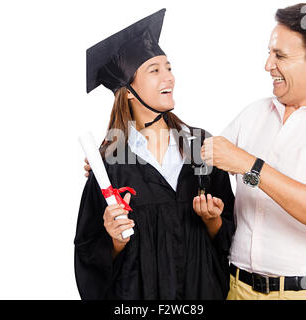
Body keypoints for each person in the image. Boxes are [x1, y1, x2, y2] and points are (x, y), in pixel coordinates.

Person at [202, 3, 306, 300]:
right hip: (236, 289)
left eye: (279, 56)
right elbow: (201, 155)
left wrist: (251, 166)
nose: (267, 65)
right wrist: (122, 158)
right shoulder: (254, 114)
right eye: (269, 52)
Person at [75, 9, 235, 300]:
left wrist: (213, 221)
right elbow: (89, 254)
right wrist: (115, 239)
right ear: (127, 91)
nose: (169, 78)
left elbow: (230, 238)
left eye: (169, 68)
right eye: (155, 70)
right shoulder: (109, 164)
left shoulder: (201, 147)